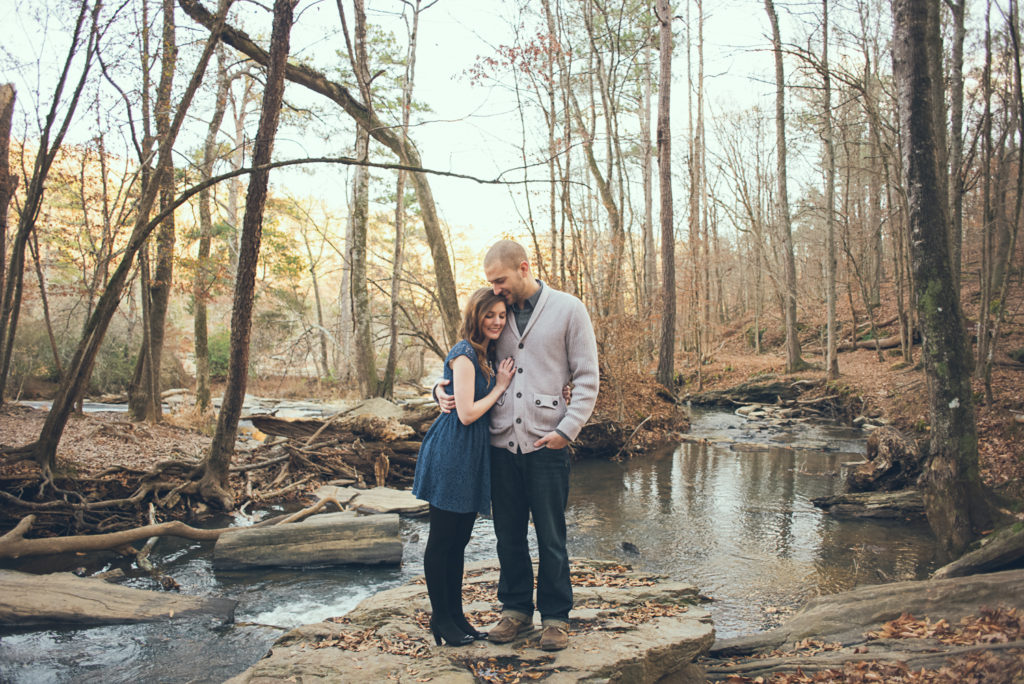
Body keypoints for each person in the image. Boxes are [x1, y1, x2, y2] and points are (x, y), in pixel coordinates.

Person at [436, 240, 600, 652]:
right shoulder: (497, 314)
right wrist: (437, 387)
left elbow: (587, 378)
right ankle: (515, 610)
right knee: (508, 535)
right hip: (498, 444)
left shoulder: (569, 309)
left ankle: (557, 618)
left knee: (551, 535)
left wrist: (568, 430)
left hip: (549, 443)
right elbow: (464, 358)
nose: (495, 289)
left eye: (500, 280)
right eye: (490, 283)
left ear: (524, 268)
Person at [412, 288, 516, 647]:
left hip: (470, 457)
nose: (497, 322)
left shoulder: (485, 353)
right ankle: (440, 618)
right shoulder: (466, 355)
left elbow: (450, 389)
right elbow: (468, 413)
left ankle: (456, 617)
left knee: (458, 543)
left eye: (502, 315)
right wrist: (500, 386)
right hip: (451, 453)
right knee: (442, 541)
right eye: (490, 315)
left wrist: (436, 389)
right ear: (476, 316)